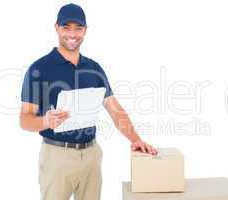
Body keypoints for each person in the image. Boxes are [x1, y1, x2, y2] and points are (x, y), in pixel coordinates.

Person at [19, 3, 158, 200]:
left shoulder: (94, 68)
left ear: (85, 30)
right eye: (66, 27)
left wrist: (135, 140)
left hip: (91, 155)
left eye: (78, 28)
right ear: (56, 27)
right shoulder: (39, 69)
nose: (72, 34)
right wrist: (45, 121)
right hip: (57, 156)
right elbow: (24, 119)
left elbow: (114, 109)